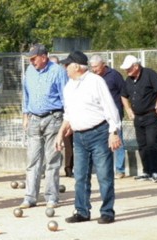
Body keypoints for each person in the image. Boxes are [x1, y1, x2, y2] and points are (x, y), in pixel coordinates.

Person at [56, 51, 121, 224]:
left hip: (99, 133)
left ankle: (107, 211)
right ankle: (82, 211)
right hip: (79, 136)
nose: (65, 68)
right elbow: (68, 114)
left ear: (76, 66)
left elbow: (110, 108)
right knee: (80, 176)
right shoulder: (69, 86)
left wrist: (113, 132)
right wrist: (60, 133)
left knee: (104, 175)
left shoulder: (95, 81)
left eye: (67, 65)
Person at [20, 44, 68, 209]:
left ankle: (51, 197)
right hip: (34, 119)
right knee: (33, 160)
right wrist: (25, 115)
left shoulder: (58, 71)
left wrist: (67, 122)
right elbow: (25, 94)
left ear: (44, 56)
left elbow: (66, 97)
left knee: (52, 159)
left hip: (53, 118)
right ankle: (30, 196)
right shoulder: (29, 71)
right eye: (30, 59)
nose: (32, 62)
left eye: (34, 59)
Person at [120, 55, 157, 183]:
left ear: (136, 66)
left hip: (151, 115)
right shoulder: (128, 80)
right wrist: (128, 109)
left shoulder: (149, 74)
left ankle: (155, 172)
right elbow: (123, 96)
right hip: (138, 117)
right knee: (142, 145)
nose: (127, 71)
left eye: (129, 68)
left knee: (152, 143)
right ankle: (146, 171)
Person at [89, 54, 126, 179]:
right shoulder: (92, 77)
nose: (94, 69)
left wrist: (125, 110)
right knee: (101, 145)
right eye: (92, 67)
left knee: (117, 141)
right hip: (99, 116)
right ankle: (103, 170)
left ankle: (120, 170)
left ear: (103, 64)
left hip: (114, 114)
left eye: (96, 67)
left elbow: (124, 93)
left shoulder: (114, 75)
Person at [49, 55, 74, 178]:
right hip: (53, 115)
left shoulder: (67, 78)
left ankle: (69, 169)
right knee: (52, 144)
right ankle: (50, 170)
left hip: (66, 114)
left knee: (69, 144)